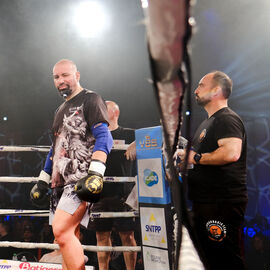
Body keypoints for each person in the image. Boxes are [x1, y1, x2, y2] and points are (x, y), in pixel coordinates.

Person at [30, 59, 113, 270]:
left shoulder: (91, 99)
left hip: (80, 179)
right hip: (59, 182)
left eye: (65, 75)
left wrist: (96, 173)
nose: (60, 81)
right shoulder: (59, 110)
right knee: (68, 238)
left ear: (77, 75)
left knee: (61, 231)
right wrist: (43, 180)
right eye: (56, 77)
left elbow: (105, 137)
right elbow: (55, 148)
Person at [177, 71, 248, 269]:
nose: (196, 90)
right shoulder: (208, 122)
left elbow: (231, 153)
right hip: (205, 201)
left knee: (226, 260)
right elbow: (200, 161)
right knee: (210, 260)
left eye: (201, 85)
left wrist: (196, 157)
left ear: (216, 90)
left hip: (221, 202)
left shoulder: (227, 119)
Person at [88, 100, 137, 270]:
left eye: (104, 110)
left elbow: (154, 136)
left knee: (128, 236)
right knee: (101, 236)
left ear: (115, 113)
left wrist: (137, 143)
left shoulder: (130, 134)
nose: (99, 112)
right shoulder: (94, 136)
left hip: (123, 194)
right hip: (99, 192)